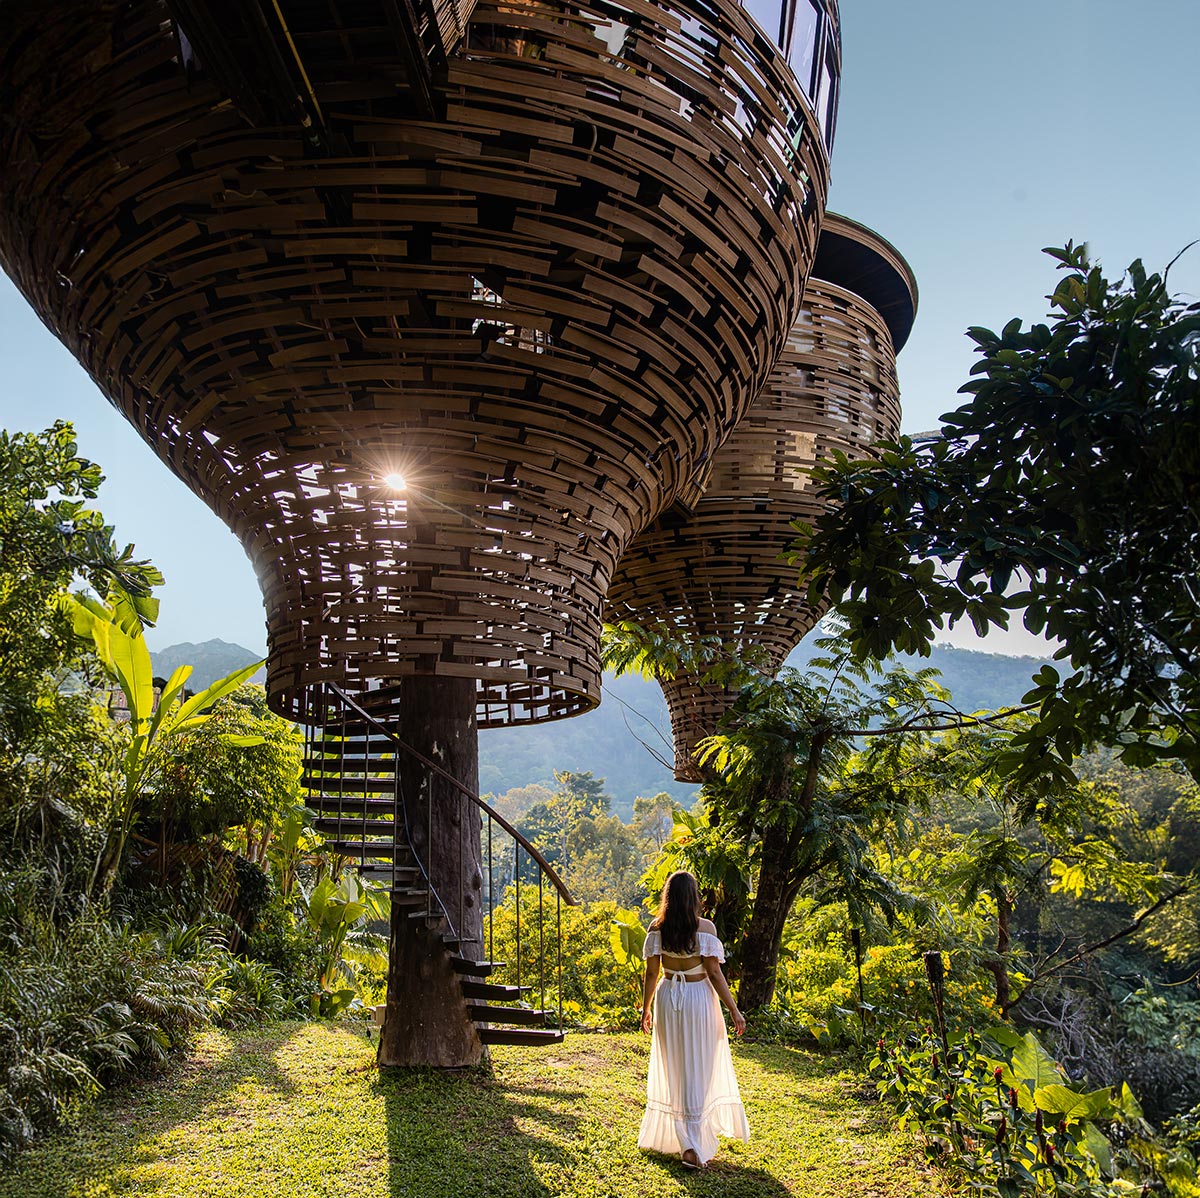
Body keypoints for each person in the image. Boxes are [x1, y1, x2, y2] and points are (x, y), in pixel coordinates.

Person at [638, 870, 749, 1169]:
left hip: (668, 997)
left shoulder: (656, 928)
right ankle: (692, 1144)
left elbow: (651, 973)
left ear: (668, 898)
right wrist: (734, 1011)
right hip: (699, 998)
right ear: (693, 898)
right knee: (701, 1064)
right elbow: (714, 973)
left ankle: (685, 1138)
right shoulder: (706, 929)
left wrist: (645, 1008)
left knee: (674, 1065)